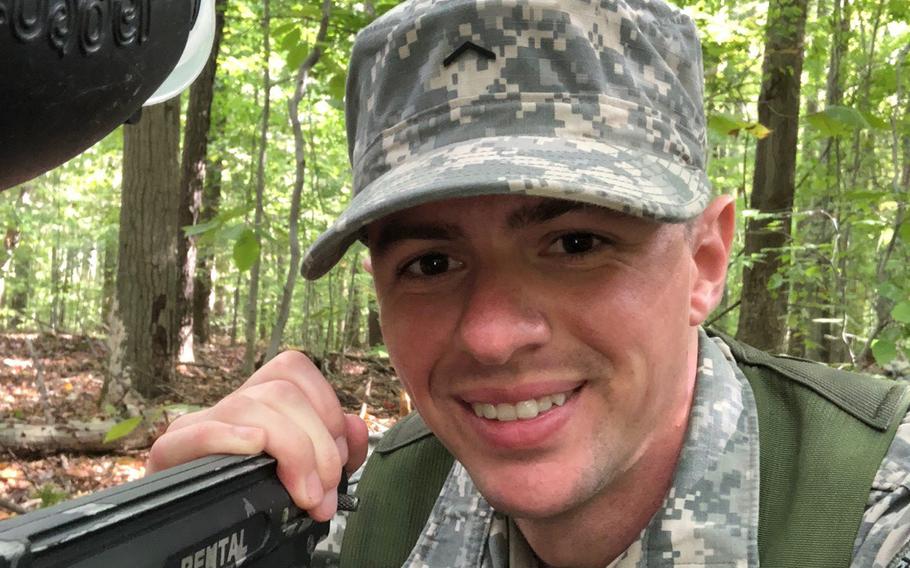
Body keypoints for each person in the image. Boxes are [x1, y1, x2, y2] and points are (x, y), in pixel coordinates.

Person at [147, 0, 910, 566]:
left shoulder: (871, 509)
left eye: (575, 243)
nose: (491, 333)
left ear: (704, 264)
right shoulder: (375, 515)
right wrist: (198, 531)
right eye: (431, 265)